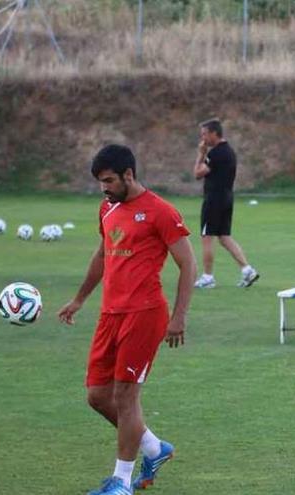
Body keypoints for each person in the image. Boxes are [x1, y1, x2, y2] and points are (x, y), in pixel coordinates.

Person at [57, 144, 196, 495]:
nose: (104, 188)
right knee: (97, 395)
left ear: (128, 175)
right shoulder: (107, 209)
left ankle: (121, 483)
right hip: (110, 313)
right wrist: (79, 299)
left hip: (145, 314)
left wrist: (179, 317)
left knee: (125, 395)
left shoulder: (160, 211)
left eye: (108, 181)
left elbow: (188, 264)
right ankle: (153, 448)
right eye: (100, 182)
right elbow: (103, 254)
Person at [192, 119, 259, 289]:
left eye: (205, 134)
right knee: (224, 237)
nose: (203, 138)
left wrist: (200, 154)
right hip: (227, 198)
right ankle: (247, 270)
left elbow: (197, 173)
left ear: (215, 133)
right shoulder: (229, 151)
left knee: (207, 237)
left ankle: (207, 278)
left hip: (214, 199)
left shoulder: (216, 154)